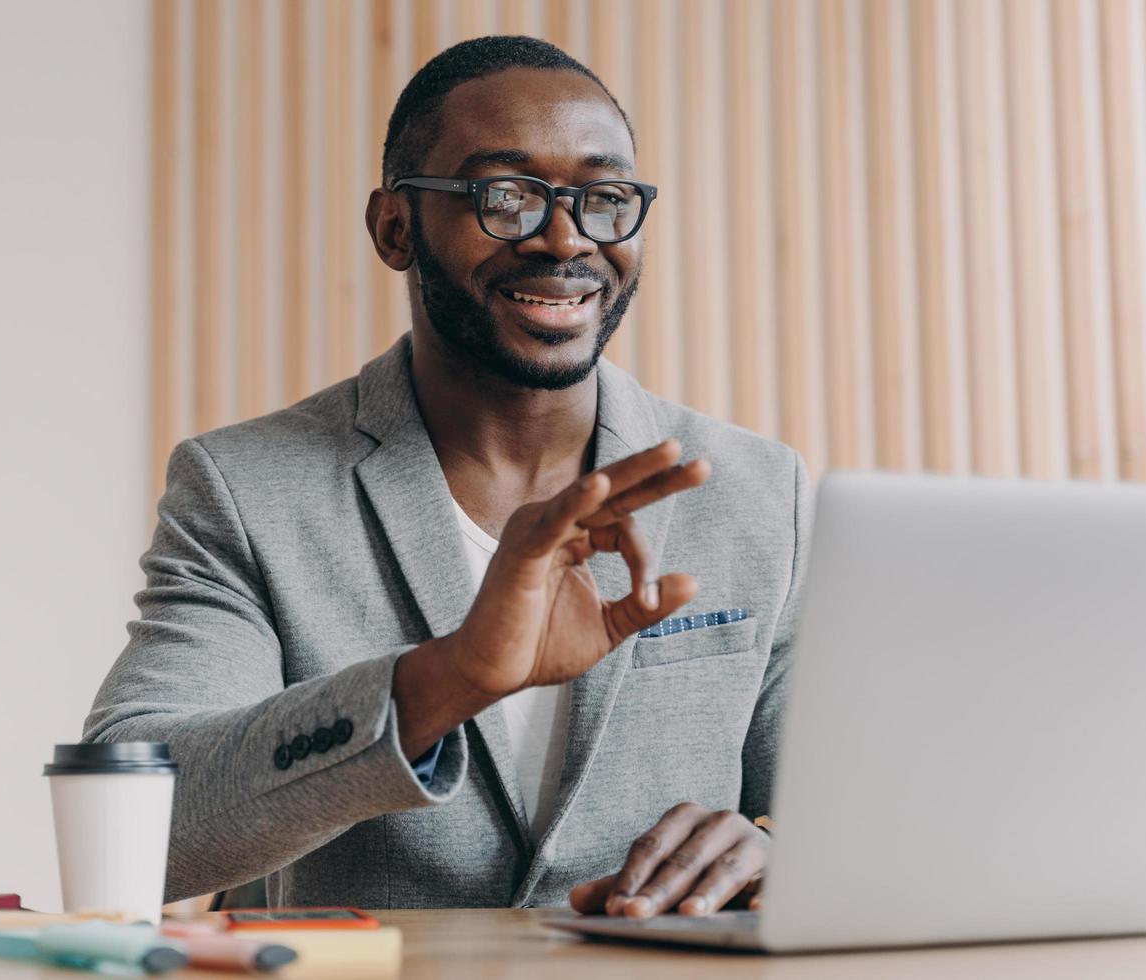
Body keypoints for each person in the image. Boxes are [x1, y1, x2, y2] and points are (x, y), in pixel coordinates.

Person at [86, 35, 809, 919]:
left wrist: (776, 846)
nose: (564, 237)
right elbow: (136, 825)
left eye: (605, 197)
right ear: (395, 227)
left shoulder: (761, 492)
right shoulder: (246, 490)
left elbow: (855, 814)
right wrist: (450, 678)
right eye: (504, 196)